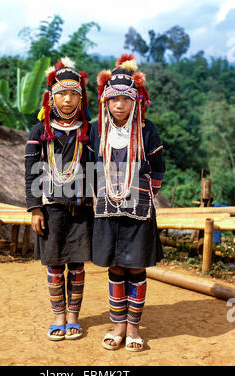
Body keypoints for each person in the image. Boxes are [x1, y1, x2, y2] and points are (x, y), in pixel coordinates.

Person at [90, 54, 165, 351]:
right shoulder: (97, 131)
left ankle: (134, 327)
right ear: (105, 101)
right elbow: (88, 166)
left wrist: (140, 193)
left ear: (136, 101)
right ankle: (118, 324)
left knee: (135, 268)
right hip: (107, 212)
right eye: (113, 99)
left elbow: (158, 170)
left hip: (139, 211)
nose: (119, 105)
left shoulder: (148, 131)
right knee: (116, 268)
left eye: (125, 99)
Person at [25, 57, 92, 341]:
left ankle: (74, 317)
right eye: (62, 93)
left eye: (73, 93)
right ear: (51, 97)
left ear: (81, 97)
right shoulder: (40, 131)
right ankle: (58, 317)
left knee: (76, 264)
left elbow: (96, 169)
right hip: (51, 210)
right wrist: (35, 209)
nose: (67, 99)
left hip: (80, 209)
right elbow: (30, 172)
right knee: (55, 265)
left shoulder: (89, 131)